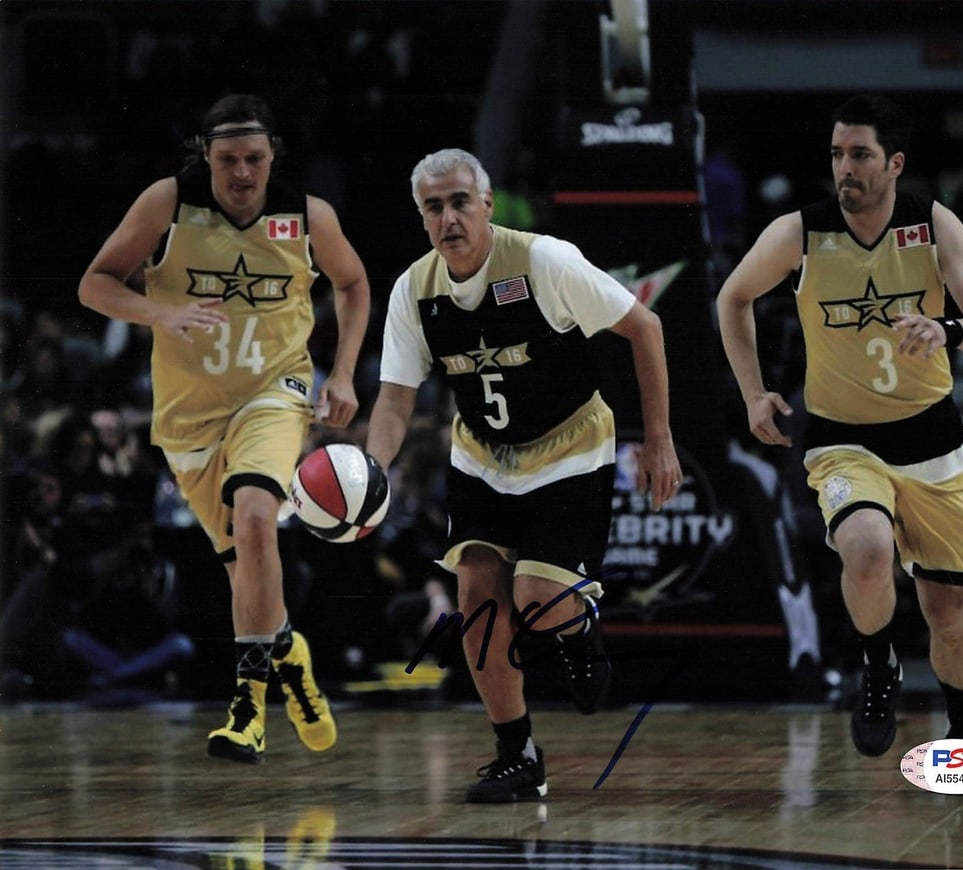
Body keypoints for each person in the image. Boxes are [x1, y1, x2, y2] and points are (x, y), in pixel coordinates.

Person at [366, 148, 680, 802]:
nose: (449, 218)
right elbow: (395, 400)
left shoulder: (544, 261)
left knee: (537, 601)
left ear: (486, 204)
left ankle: (578, 632)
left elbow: (645, 327)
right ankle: (517, 754)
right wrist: (371, 470)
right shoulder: (414, 291)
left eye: (459, 202)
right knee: (477, 601)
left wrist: (660, 440)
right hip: (482, 456)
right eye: (434, 207)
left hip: (568, 447)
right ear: (422, 217)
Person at [78, 94, 371, 764]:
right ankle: (289, 652)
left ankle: (247, 708)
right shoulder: (168, 205)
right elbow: (94, 284)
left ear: (273, 156)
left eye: (256, 159)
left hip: (275, 393)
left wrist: (345, 373)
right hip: (189, 418)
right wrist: (160, 313)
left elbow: (352, 285)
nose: (243, 172)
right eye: (229, 159)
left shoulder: (306, 216)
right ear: (205, 156)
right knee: (247, 569)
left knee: (258, 517)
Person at [716, 94, 963, 757]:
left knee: (946, 609)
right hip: (843, 438)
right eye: (836, 154)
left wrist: (946, 328)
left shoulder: (934, 227)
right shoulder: (800, 232)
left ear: (895, 163)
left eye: (860, 155)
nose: (844, 167)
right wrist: (756, 393)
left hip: (932, 439)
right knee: (869, 552)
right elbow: (732, 296)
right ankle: (877, 664)